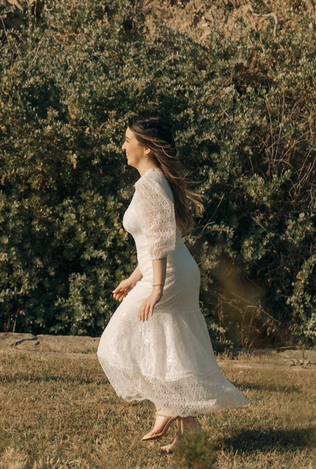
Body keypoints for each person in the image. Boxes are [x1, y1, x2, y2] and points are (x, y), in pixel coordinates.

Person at [97, 115, 247, 445]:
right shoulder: (155, 182)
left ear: (146, 149)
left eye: (128, 140)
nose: (123, 147)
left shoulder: (150, 185)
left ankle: (166, 406)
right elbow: (153, 243)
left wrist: (154, 288)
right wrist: (134, 278)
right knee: (166, 350)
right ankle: (188, 430)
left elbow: (161, 241)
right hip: (170, 272)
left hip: (168, 277)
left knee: (113, 343)